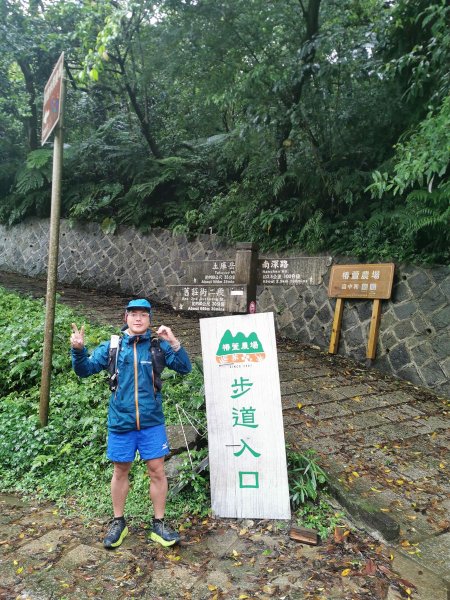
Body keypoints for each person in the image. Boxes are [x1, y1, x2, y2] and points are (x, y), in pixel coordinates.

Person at [70, 298, 192, 549]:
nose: (138, 319)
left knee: (157, 471)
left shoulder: (158, 347)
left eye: (143, 315)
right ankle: (118, 522)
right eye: (133, 314)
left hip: (151, 422)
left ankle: (158, 524)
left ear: (149, 320)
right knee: (120, 471)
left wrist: (174, 341)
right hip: (121, 422)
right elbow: (85, 370)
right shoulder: (113, 347)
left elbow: (185, 368)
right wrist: (78, 350)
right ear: (125, 318)